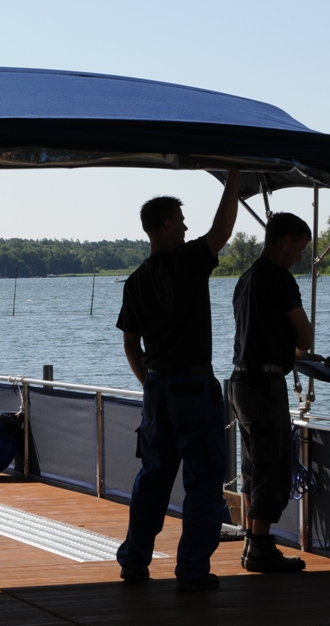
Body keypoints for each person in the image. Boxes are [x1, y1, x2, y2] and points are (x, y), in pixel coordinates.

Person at [115, 171, 241, 591]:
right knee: (203, 481)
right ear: (167, 225)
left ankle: (134, 561)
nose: (187, 228)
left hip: (158, 389)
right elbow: (222, 230)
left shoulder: (135, 281)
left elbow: (131, 344)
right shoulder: (187, 262)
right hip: (192, 388)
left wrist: (149, 382)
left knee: (152, 477)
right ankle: (191, 571)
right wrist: (234, 176)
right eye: (182, 221)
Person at [228, 212, 315, 572]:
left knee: (251, 466)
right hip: (265, 384)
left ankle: (251, 540)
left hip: (238, 382)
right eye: (299, 248)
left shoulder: (245, 278)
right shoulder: (279, 277)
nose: (299, 256)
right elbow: (305, 338)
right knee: (273, 466)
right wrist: (293, 349)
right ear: (284, 242)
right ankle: (261, 548)